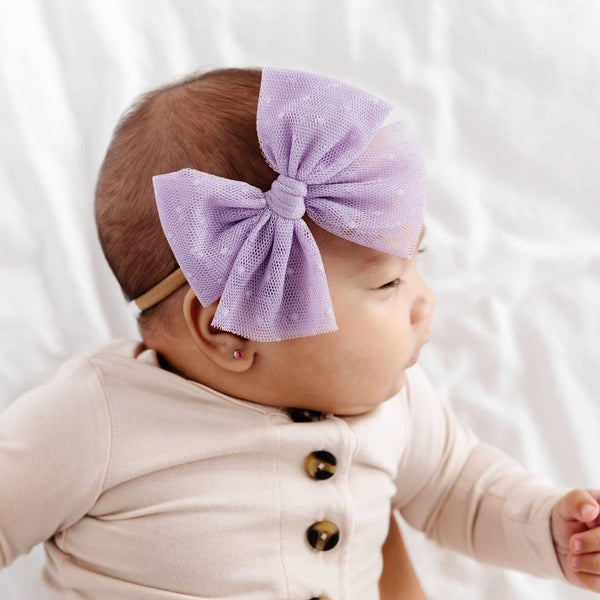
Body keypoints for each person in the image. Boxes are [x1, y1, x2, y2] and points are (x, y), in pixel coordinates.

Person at [1, 65, 598, 600]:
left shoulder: (398, 406)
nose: (424, 302)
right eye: (389, 283)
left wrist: (551, 528)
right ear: (233, 326)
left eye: (417, 263)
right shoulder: (97, 416)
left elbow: (461, 491)